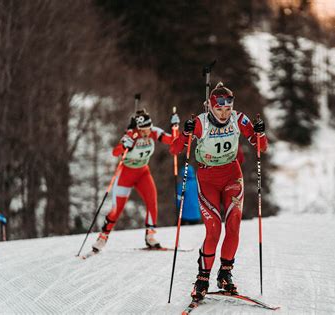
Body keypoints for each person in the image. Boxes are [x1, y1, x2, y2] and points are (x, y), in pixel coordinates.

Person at [170, 82, 268, 301]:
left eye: (228, 108)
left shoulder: (239, 119)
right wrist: (185, 133)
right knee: (213, 230)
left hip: (232, 175)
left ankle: (225, 274)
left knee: (233, 226)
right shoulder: (200, 123)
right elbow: (175, 149)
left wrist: (260, 134)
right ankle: (202, 278)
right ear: (210, 107)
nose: (224, 113)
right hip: (207, 178)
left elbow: (261, 146)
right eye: (219, 108)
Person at [92, 109, 180, 251]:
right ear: (138, 128)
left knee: (152, 201)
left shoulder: (154, 132)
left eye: (148, 129)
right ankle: (103, 237)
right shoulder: (131, 135)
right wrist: (124, 145)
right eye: (143, 130)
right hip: (126, 174)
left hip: (143, 173)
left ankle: (150, 236)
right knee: (117, 209)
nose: (147, 133)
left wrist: (175, 127)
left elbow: (173, 141)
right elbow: (115, 152)